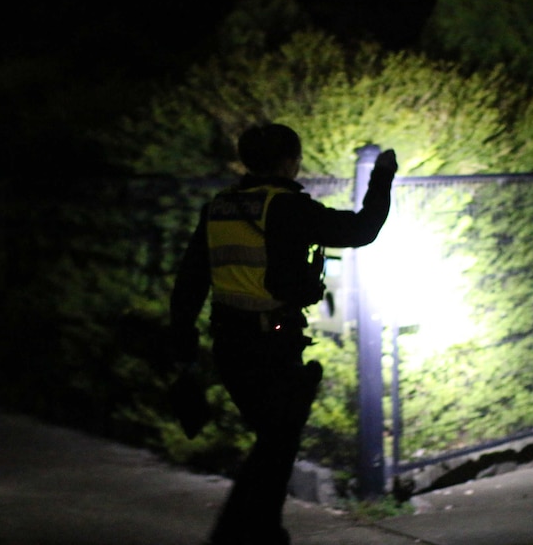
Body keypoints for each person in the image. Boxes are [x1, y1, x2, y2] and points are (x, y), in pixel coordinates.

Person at [169, 123, 397, 545]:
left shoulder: (218, 207)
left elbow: (189, 284)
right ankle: (258, 534)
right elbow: (361, 230)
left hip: (229, 345)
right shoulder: (289, 208)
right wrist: (382, 176)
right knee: (277, 444)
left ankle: (259, 531)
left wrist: (183, 356)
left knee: (273, 442)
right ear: (290, 161)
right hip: (273, 344)